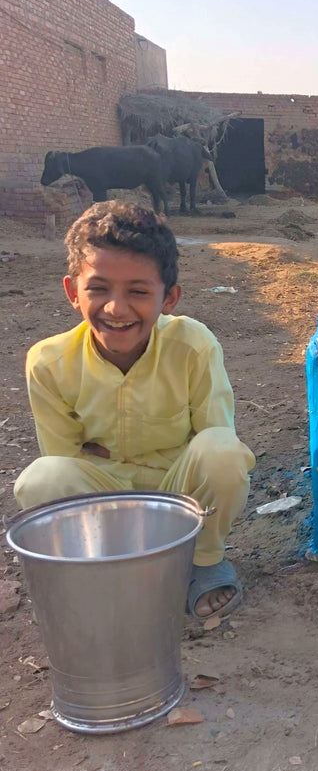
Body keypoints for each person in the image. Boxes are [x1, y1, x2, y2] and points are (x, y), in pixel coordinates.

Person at [14, 201, 256, 620]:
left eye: (138, 292)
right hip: (106, 499)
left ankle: (203, 561)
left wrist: (105, 450)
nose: (116, 309)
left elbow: (213, 440)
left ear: (169, 298)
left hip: (181, 494)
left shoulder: (193, 345)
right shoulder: (49, 362)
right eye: (99, 289)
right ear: (74, 292)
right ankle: (109, 567)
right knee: (42, 480)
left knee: (222, 451)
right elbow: (65, 460)